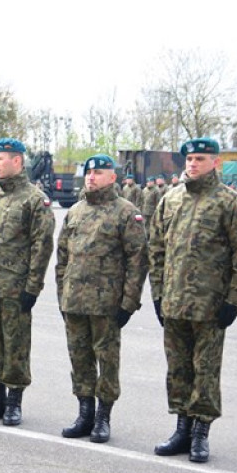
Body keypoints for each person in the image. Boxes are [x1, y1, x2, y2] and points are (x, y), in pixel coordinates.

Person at [149, 137, 237, 462]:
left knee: (205, 370)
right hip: (174, 301)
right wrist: (158, 294)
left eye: (200, 159)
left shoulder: (230, 202)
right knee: (178, 369)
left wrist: (234, 300)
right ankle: (181, 428)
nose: (193, 164)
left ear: (215, 162)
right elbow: (156, 249)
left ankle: (200, 433)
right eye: (189, 159)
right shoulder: (170, 199)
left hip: (210, 305)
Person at [56, 154, 148, 442]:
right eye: (89, 173)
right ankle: (84, 413)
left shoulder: (126, 212)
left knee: (107, 361)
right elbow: (62, 257)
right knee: (79, 358)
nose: (91, 177)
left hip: (106, 303)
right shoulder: (75, 211)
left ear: (112, 177)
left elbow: (137, 261)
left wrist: (128, 303)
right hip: (75, 300)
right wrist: (62, 294)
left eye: (98, 173)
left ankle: (103, 417)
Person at [0, 138, 55, 426]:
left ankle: (14, 401)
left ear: (17, 161)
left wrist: (33, 287)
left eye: (0, 158)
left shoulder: (34, 199)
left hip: (15, 288)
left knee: (15, 345)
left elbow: (42, 246)